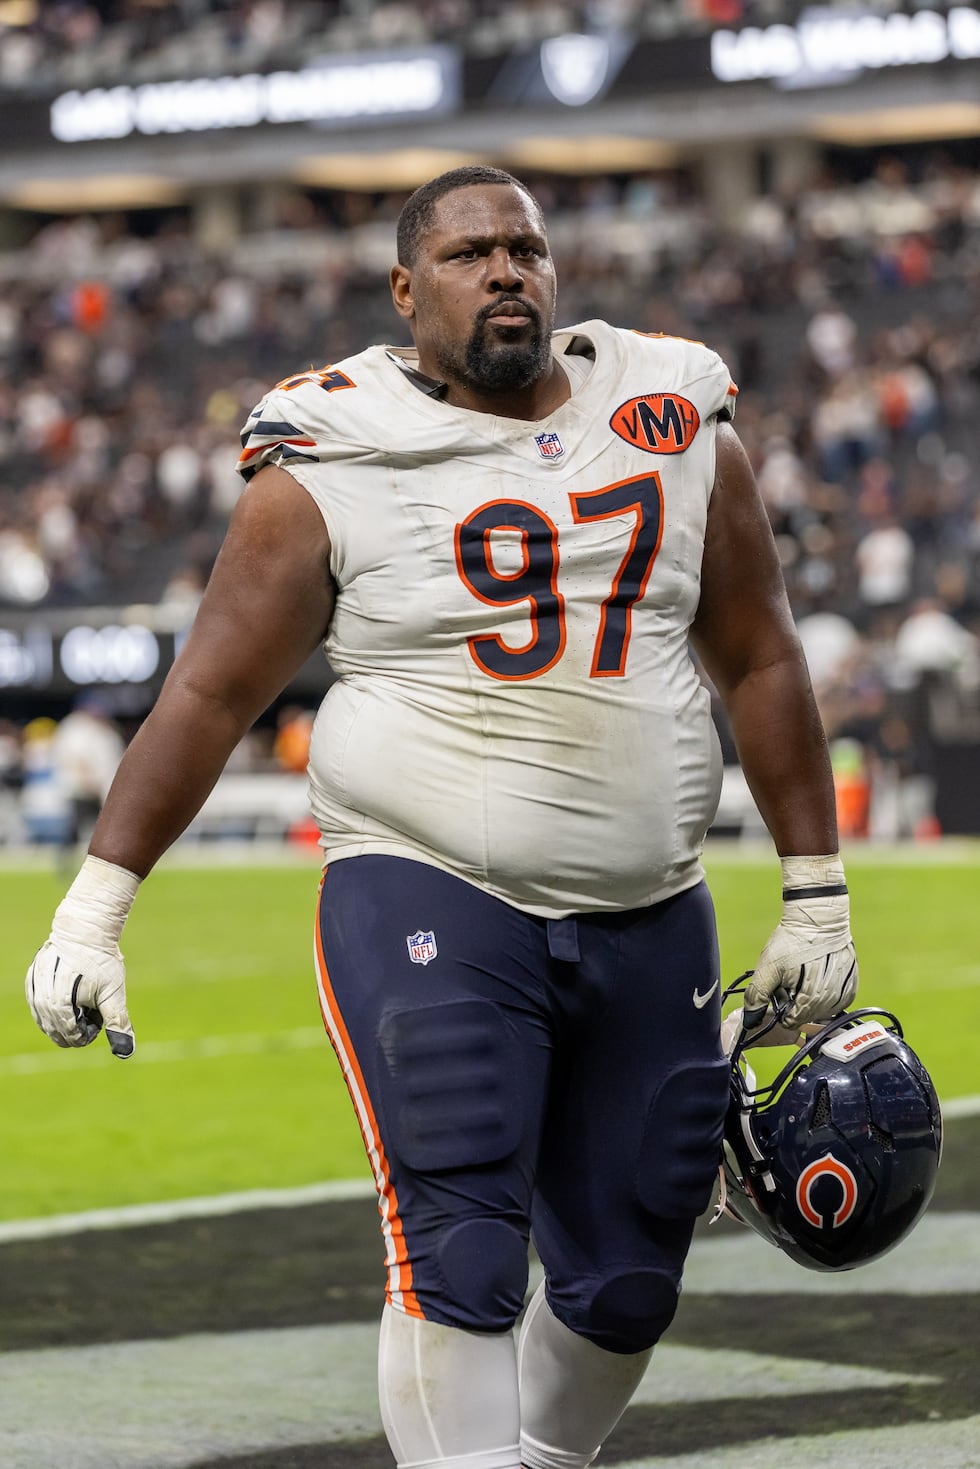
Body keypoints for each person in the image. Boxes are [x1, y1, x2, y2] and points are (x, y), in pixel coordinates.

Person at [26, 166, 859, 1469]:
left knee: (632, 1274)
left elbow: (758, 654)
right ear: (408, 292)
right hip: (425, 882)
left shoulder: (671, 407)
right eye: (472, 253)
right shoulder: (334, 442)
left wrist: (816, 889)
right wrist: (95, 905)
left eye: (527, 246)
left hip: (653, 904)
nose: (509, 270)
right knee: (461, 1227)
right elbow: (210, 688)